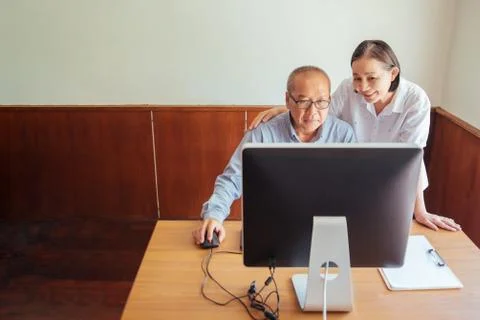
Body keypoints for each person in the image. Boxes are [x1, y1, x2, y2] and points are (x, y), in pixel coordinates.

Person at [249, 40, 461, 232]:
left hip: (395, 181)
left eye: (372, 78)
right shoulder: (348, 90)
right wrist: (288, 109)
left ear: (393, 73)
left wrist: (420, 211)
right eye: (357, 78)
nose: (363, 87)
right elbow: (318, 116)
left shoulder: (416, 101)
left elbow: (411, 159)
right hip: (353, 180)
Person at [192, 66, 356, 245]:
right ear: (287, 100)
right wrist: (214, 216)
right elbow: (233, 179)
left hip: (326, 231)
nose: (313, 112)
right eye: (303, 102)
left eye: (321, 102)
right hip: (273, 229)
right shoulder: (263, 134)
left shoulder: (343, 135)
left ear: (330, 100)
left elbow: (353, 188)